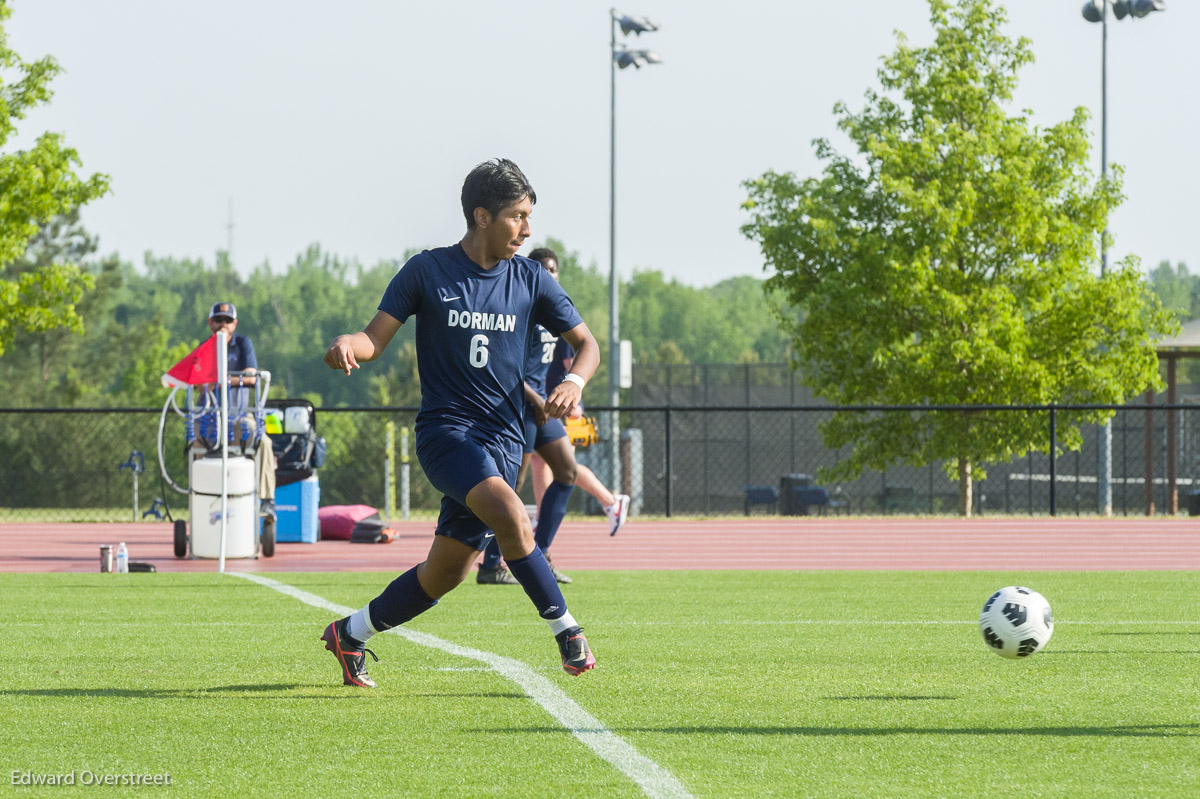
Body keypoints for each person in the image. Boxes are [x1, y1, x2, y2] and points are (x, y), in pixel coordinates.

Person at [320, 159, 600, 686]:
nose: (528, 228)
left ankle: (350, 634)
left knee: (443, 575)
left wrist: (574, 383)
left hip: (505, 441)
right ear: (480, 216)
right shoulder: (427, 271)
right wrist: (345, 345)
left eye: (529, 216)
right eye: (517, 216)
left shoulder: (532, 278)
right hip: (447, 434)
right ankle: (567, 629)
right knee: (513, 514)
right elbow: (372, 339)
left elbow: (587, 345)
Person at [477, 247, 629, 586]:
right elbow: (506, 371)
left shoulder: (556, 311)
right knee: (510, 487)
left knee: (567, 471)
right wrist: (539, 400)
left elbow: (576, 351)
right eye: (543, 269)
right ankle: (490, 564)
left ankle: (541, 552)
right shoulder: (519, 308)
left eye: (554, 270)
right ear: (533, 273)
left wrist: (569, 390)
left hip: (543, 410)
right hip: (519, 407)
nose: (550, 275)